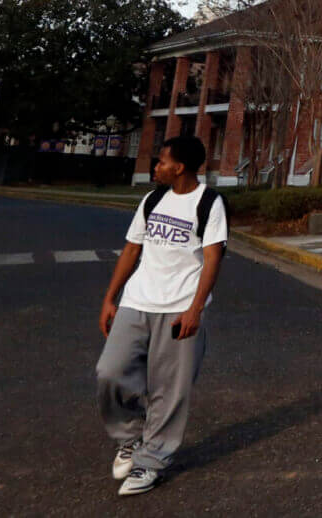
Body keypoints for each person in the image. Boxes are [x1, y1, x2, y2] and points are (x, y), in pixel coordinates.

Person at [96, 134, 227, 497]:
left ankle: (151, 461)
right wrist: (111, 298)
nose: (156, 167)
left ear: (179, 167)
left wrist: (195, 308)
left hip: (179, 306)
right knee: (110, 372)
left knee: (169, 391)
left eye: (161, 162)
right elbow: (131, 249)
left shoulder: (209, 203)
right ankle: (131, 435)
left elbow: (213, 258)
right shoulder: (153, 199)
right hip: (137, 300)